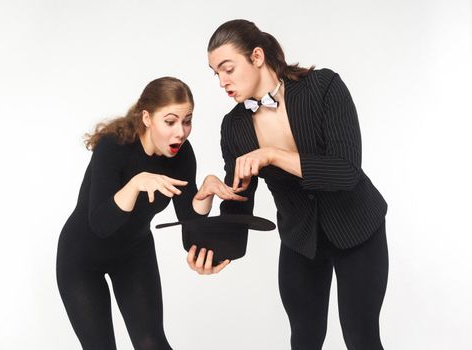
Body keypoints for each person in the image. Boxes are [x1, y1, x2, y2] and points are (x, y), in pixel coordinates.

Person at [189, 20, 389, 349]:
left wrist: (272, 155)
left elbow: (346, 172)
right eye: (216, 74)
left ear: (256, 56)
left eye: (228, 69)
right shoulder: (234, 127)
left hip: (358, 231)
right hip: (300, 240)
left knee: (361, 337)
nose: (223, 82)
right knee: (304, 340)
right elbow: (238, 203)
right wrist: (210, 247)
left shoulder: (324, 87)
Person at [56, 77, 239, 350]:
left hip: (133, 252)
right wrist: (136, 183)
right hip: (81, 259)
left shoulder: (182, 155)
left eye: (187, 120)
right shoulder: (113, 146)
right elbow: (101, 224)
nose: (181, 132)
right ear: (147, 118)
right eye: (170, 121)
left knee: (152, 343)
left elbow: (189, 222)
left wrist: (206, 193)